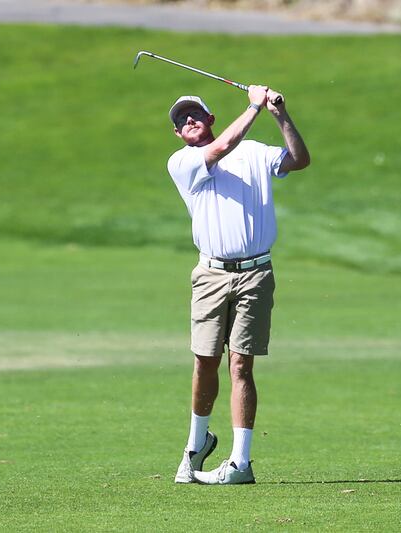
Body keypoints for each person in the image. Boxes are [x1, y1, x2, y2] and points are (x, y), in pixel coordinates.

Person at [167, 85, 309, 485]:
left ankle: (241, 463)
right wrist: (253, 106)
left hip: (255, 273)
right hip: (210, 275)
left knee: (241, 365)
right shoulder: (183, 161)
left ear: (210, 118)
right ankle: (194, 449)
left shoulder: (255, 151)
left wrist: (279, 114)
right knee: (205, 360)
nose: (188, 121)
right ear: (177, 135)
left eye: (194, 114)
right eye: (181, 120)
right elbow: (222, 148)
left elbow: (299, 160)